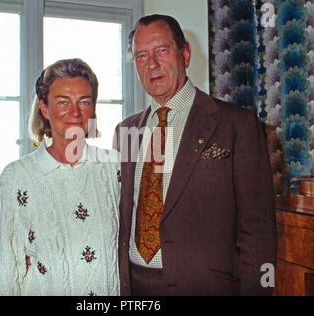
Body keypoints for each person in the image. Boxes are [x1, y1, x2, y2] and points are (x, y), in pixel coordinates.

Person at [113, 14, 277, 296]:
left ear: (185, 54)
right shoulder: (126, 131)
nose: (151, 64)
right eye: (141, 56)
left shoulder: (236, 125)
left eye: (161, 50)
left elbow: (259, 232)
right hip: (134, 287)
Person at [0, 58, 121, 296]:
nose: (75, 112)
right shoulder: (17, 177)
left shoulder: (114, 168)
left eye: (84, 102)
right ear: (45, 108)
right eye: (63, 102)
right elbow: (3, 269)